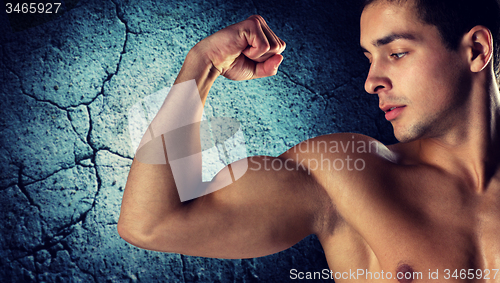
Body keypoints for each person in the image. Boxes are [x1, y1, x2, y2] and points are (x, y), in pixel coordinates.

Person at [118, 0, 500, 281]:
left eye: (396, 53)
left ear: (477, 50)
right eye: (369, 58)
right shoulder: (348, 173)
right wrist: (204, 62)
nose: (372, 81)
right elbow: (151, 222)